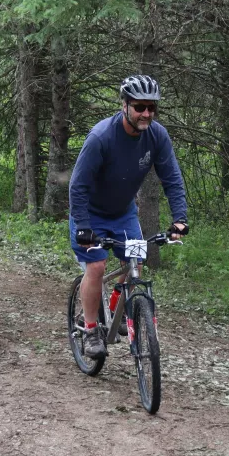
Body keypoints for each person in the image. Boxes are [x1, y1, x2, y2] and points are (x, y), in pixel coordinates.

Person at [68, 75, 189, 360]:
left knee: (135, 264)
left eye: (151, 107)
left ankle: (117, 307)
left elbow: (171, 178)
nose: (146, 113)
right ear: (125, 105)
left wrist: (179, 219)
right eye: (139, 107)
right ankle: (91, 329)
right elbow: (78, 186)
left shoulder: (157, 136)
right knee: (96, 266)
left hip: (123, 214)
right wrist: (84, 228)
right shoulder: (102, 137)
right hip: (90, 214)